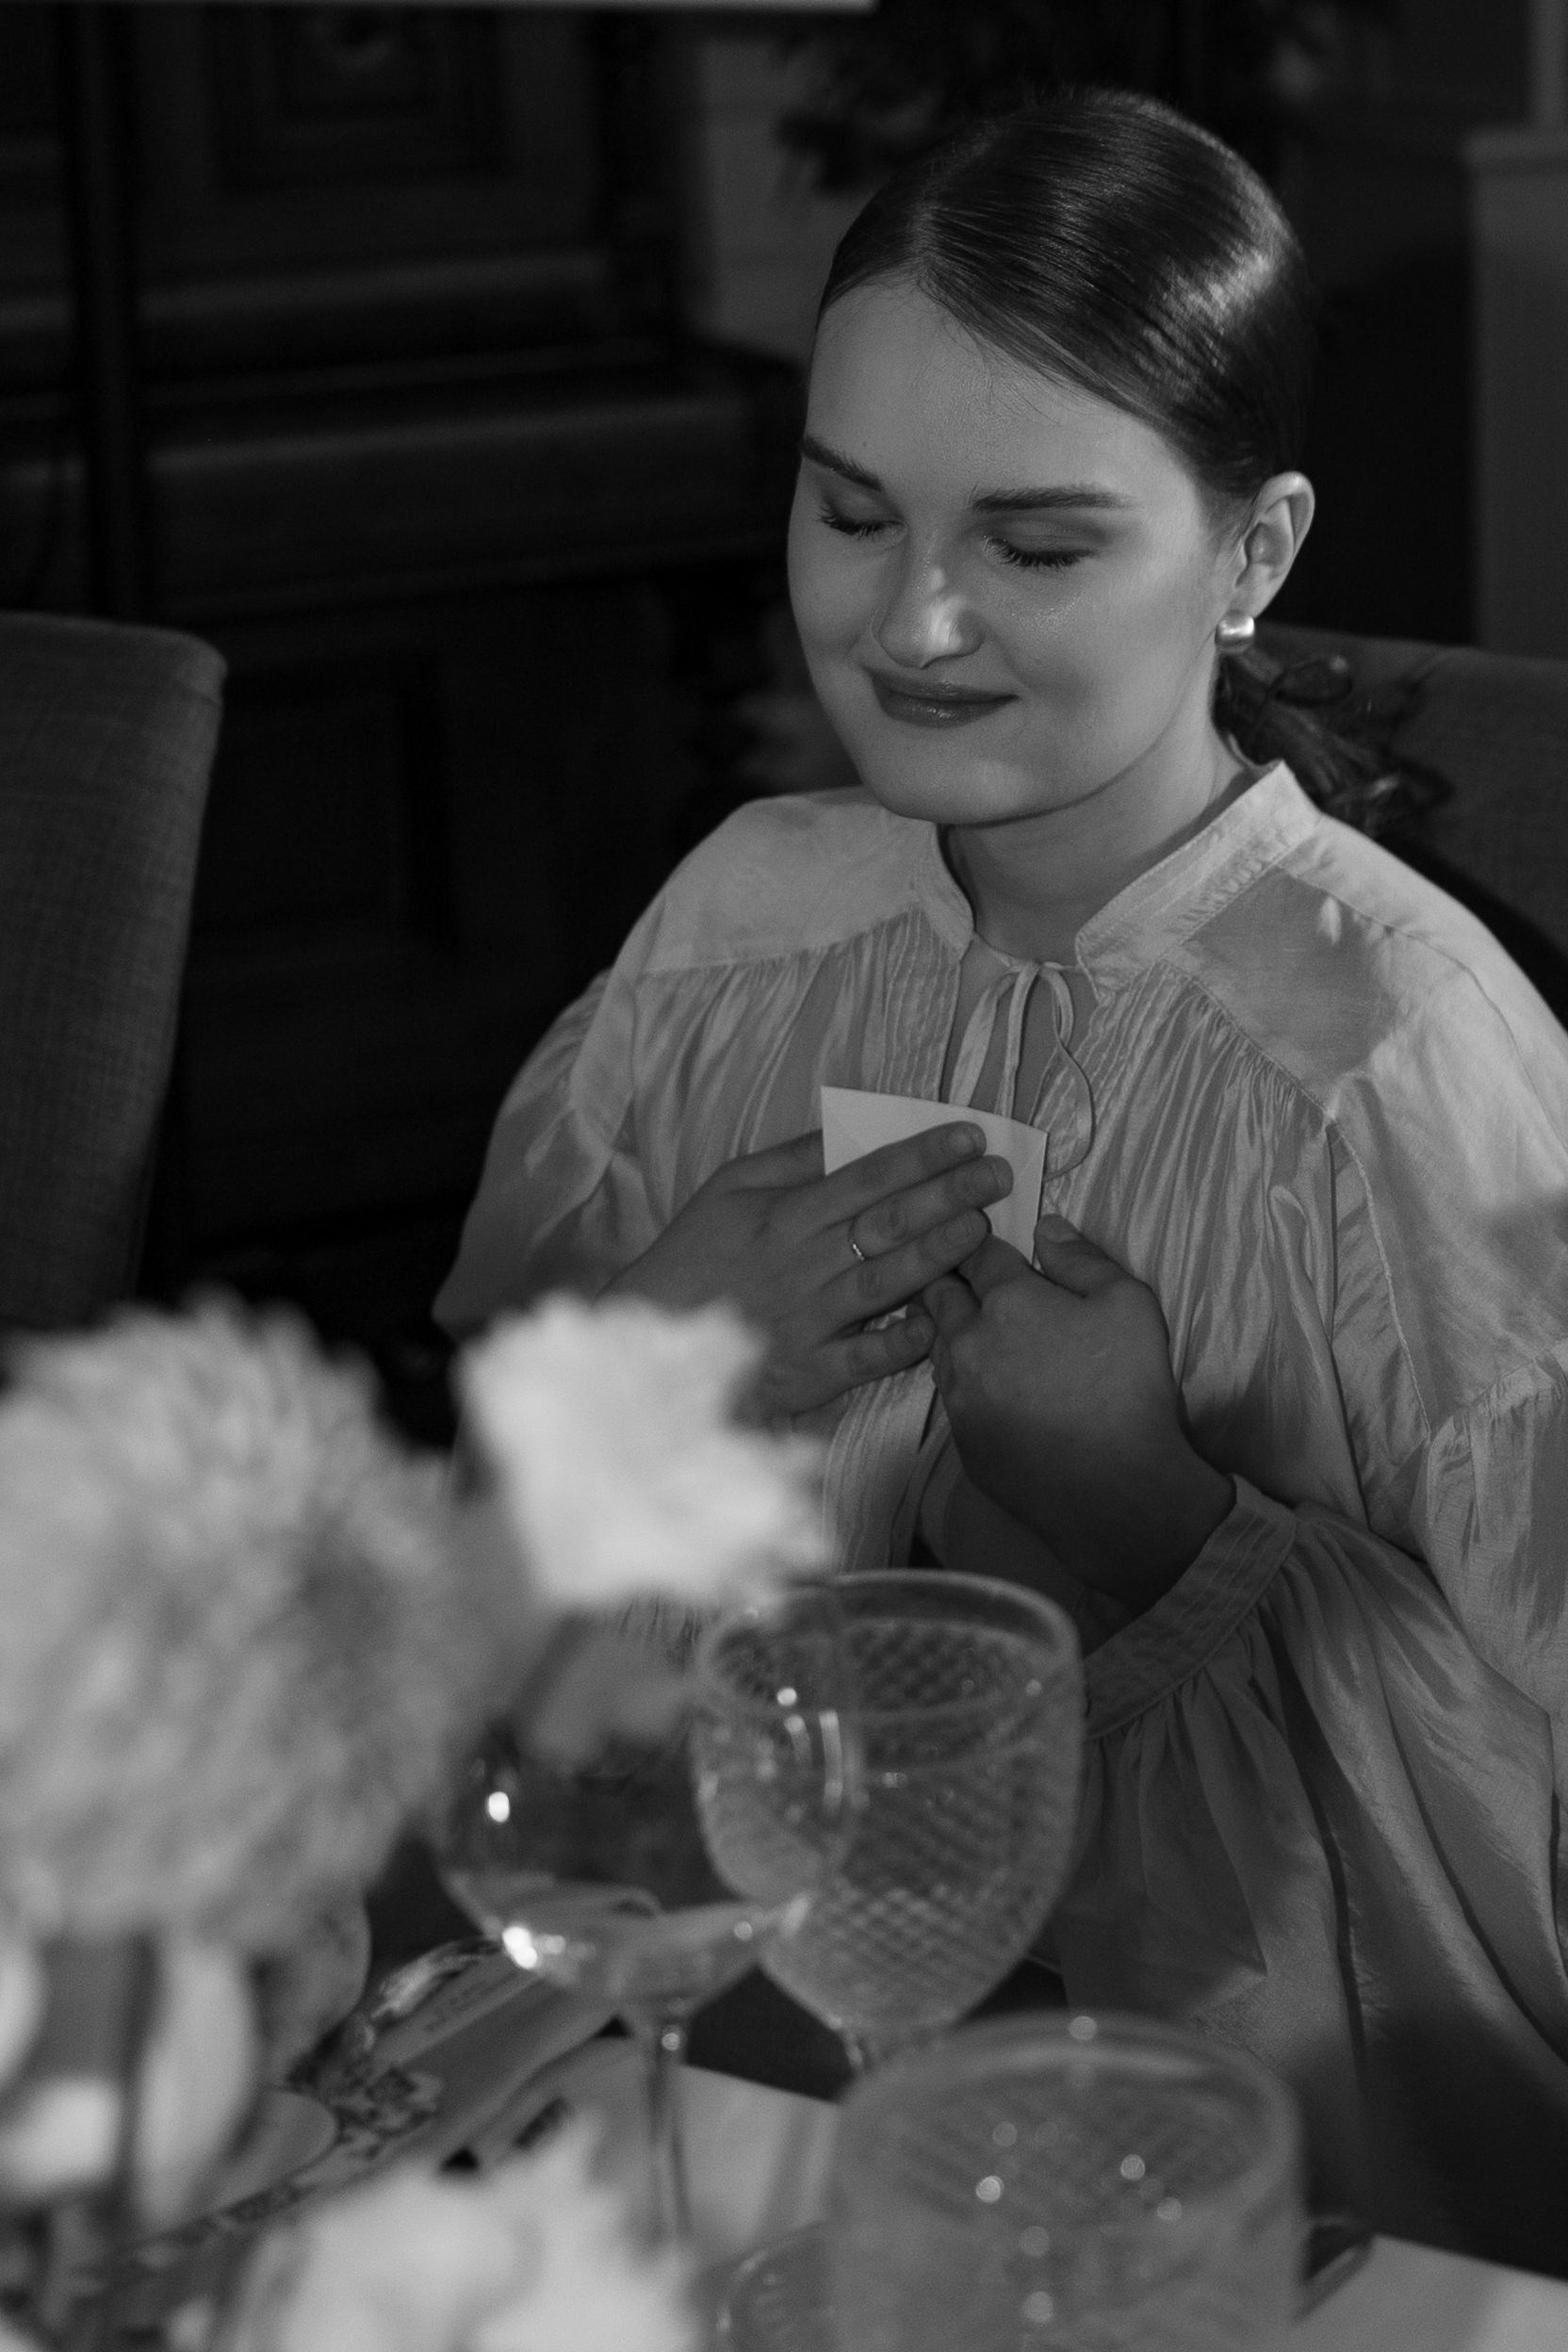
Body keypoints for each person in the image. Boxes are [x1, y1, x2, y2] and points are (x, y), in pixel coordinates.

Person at [437, 90, 1568, 2266]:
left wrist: (1157, 1521)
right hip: (721, 2122)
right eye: (850, 511)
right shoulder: (735, 931)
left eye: (1037, 547)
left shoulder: (1392, 1063)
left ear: (1253, 554)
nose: (916, 624)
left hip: (1251, 2209)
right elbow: (469, 1644)